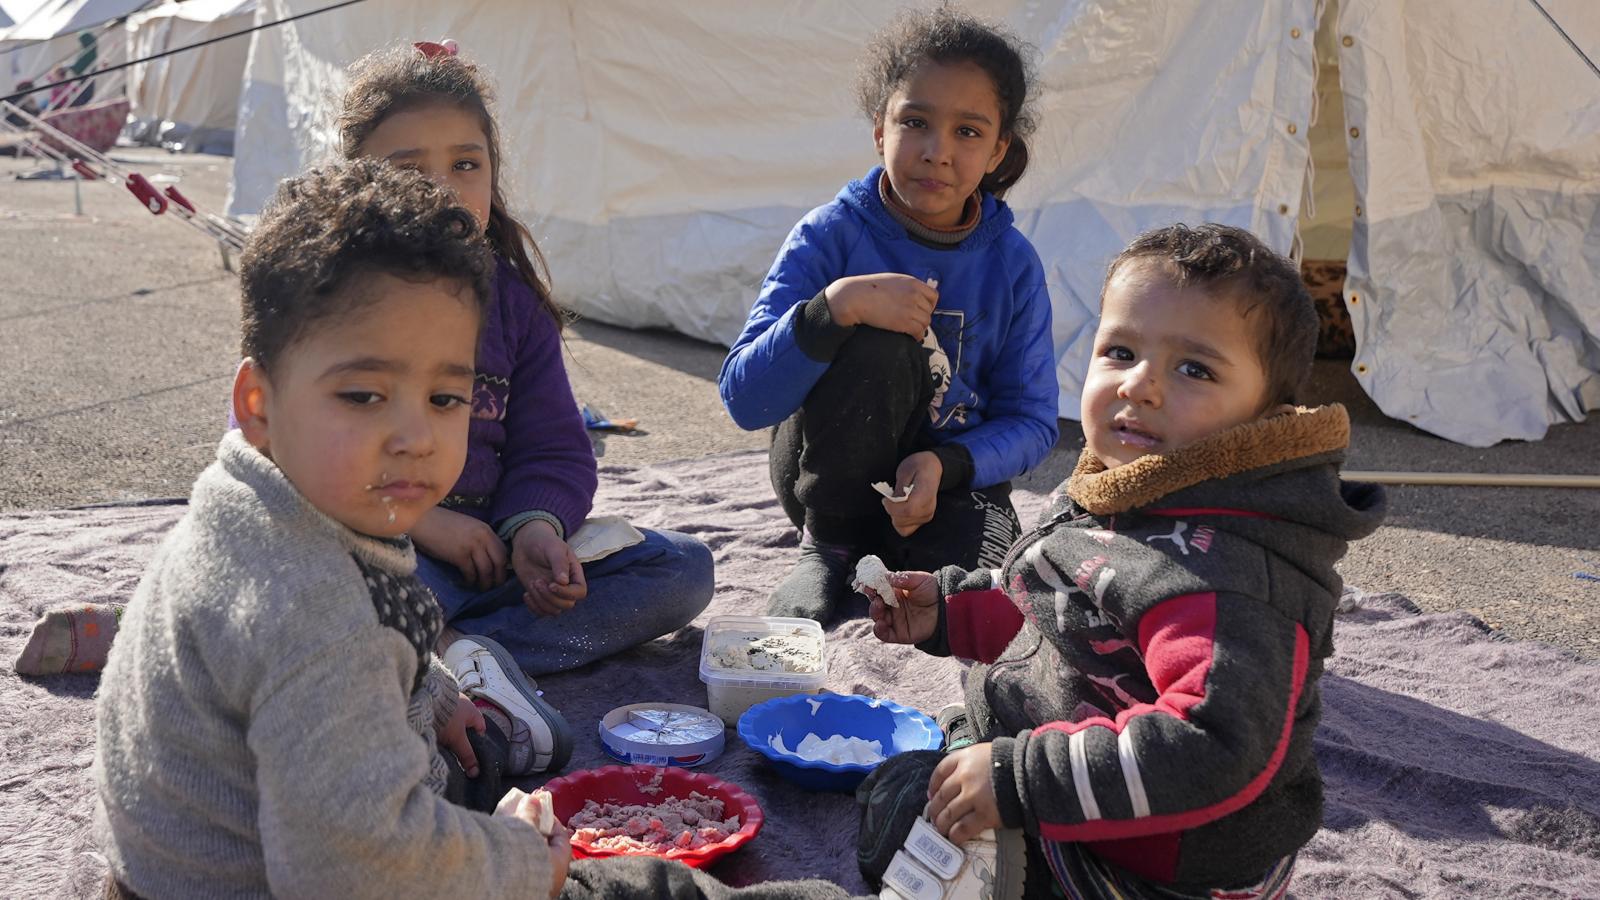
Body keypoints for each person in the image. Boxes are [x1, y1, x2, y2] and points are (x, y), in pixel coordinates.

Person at [856, 223, 1388, 898]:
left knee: (900, 809)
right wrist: (951, 611)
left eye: (1194, 368)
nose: (1141, 385)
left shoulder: (1228, 575)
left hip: (1149, 857)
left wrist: (1019, 781)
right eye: (1121, 351)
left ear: (1266, 419)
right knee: (931, 768)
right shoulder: (1132, 485)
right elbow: (1057, 609)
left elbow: (1211, 746)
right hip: (1072, 775)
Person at [94, 159, 569, 898]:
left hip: (219, 842)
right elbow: (351, 869)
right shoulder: (313, 608)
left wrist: (435, 697)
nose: (415, 435)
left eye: (447, 398)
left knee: (494, 754)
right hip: (279, 869)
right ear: (257, 402)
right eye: (364, 394)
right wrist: (524, 864)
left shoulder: (263, 498)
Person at [336, 42, 717, 773]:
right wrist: (423, 522)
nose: (443, 191)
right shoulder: (329, 301)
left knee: (685, 570)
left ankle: (459, 650)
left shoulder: (514, 305)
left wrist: (537, 531)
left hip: (496, 564)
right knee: (345, 596)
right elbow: (282, 455)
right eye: (408, 171)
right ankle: (431, 642)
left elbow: (553, 449)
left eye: (465, 165)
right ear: (355, 182)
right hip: (383, 551)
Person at [718, 6, 1059, 623]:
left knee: (975, 596)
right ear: (880, 129)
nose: (937, 152)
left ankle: (898, 549)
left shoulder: (1013, 263)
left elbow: (1034, 423)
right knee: (881, 341)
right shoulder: (828, 235)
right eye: (916, 122)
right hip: (829, 481)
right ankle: (829, 550)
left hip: (947, 486)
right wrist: (834, 309)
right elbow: (746, 399)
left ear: (999, 147)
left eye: (969, 132)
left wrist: (945, 465)